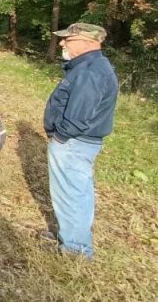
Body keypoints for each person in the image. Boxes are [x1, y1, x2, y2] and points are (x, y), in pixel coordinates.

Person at [43, 23, 118, 259]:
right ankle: (72, 237)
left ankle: (76, 249)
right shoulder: (88, 66)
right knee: (74, 190)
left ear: (88, 42)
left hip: (74, 143)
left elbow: (80, 116)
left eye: (68, 39)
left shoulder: (90, 72)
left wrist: (61, 136)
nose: (62, 43)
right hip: (76, 142)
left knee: (71, 193)